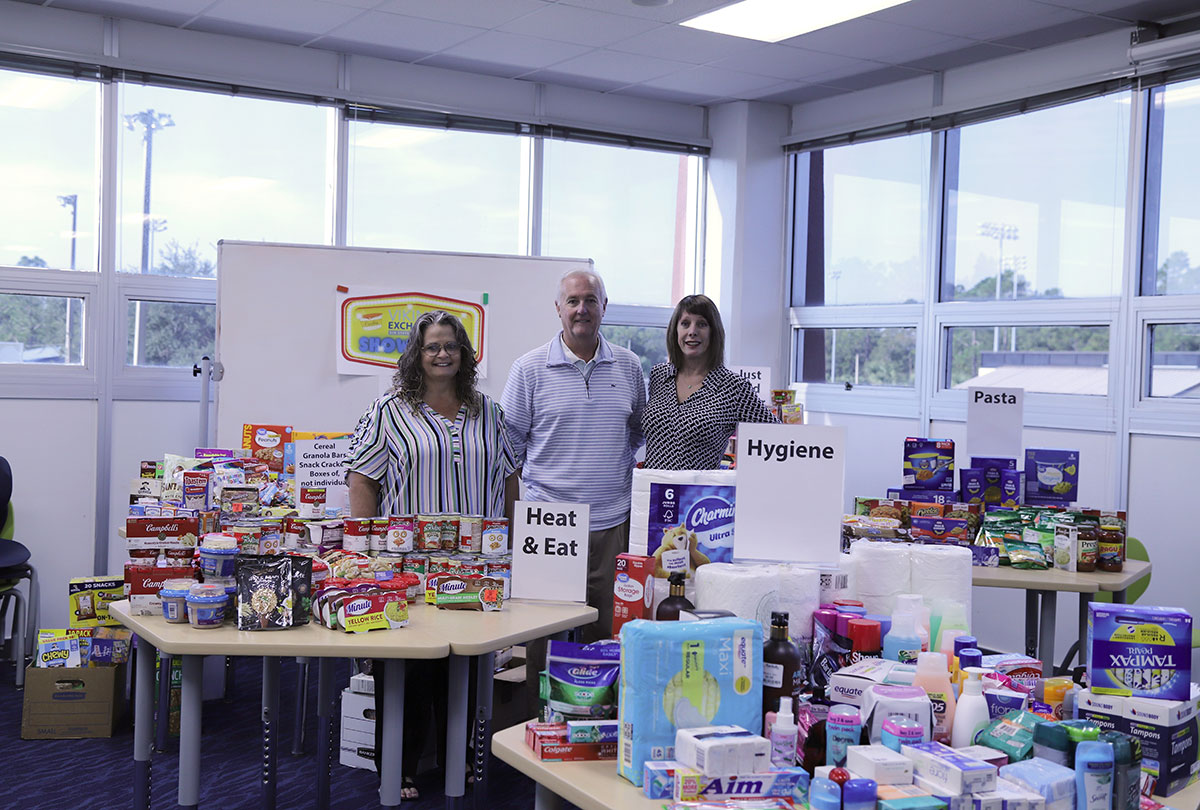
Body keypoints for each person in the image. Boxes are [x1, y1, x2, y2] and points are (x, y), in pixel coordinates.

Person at [343, 310, 516, 800]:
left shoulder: (490, 412)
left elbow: (508, 480)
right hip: (408, 568)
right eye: (432, 347)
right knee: (408, 669)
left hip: (476, 568)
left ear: (464, 354)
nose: (443, 355)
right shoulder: (389, 411)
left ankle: (459, 759)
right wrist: (366, 558)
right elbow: (362, 480)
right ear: (416, 356)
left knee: (464, 667)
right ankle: (395, 766)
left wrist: (514, 547)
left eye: (451, 346)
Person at [501, 268, 646, 654]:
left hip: (612, 525)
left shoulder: (630, 367)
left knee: (608, 638)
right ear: (558, 308)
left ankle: (600, 715)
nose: (582, 309)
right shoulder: (528, 370)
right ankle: (538, 716)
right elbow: (508, 455)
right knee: (544, 639)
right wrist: (515, 529)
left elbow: (635, 435)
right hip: (548, 526)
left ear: (604, 306)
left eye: (590, 300)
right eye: (573, 301)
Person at [643, 294, 777, 470]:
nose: (692, 331)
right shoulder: (660, 375)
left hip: (698, 495)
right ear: (675, 330)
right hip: (653, 491)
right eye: (685, 323)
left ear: (714, 332)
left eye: (702, 324)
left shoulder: (733, 388)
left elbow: (778, 439)